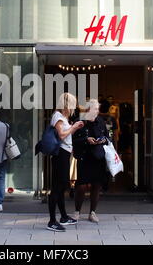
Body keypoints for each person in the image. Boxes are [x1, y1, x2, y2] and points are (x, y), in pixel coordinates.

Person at [47, 93, 84, 232]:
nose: (73, 108)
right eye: (72, 105)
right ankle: (51, 221)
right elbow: (62, 135)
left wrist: (73, 127)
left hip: (64, 153)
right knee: (57, 186)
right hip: (60, 154)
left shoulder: (62, 117)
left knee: (62, 186)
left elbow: (65, 134)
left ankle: (63, 216)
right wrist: (73, 127)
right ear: (66, 105)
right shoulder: (58, 116)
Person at [73, 99, 109, 223]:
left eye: (98, 109)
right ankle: (77, 211)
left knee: (96, 185)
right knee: (81, 186)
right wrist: (86, 139)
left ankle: (92, 212)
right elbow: (71, 139)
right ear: (88, 109)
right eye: (95, 109)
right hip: (84, 157)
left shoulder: (101, 121)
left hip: (98, 157)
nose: (97, 111)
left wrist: (103, 140)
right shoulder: (79, 121)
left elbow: (107, 136)